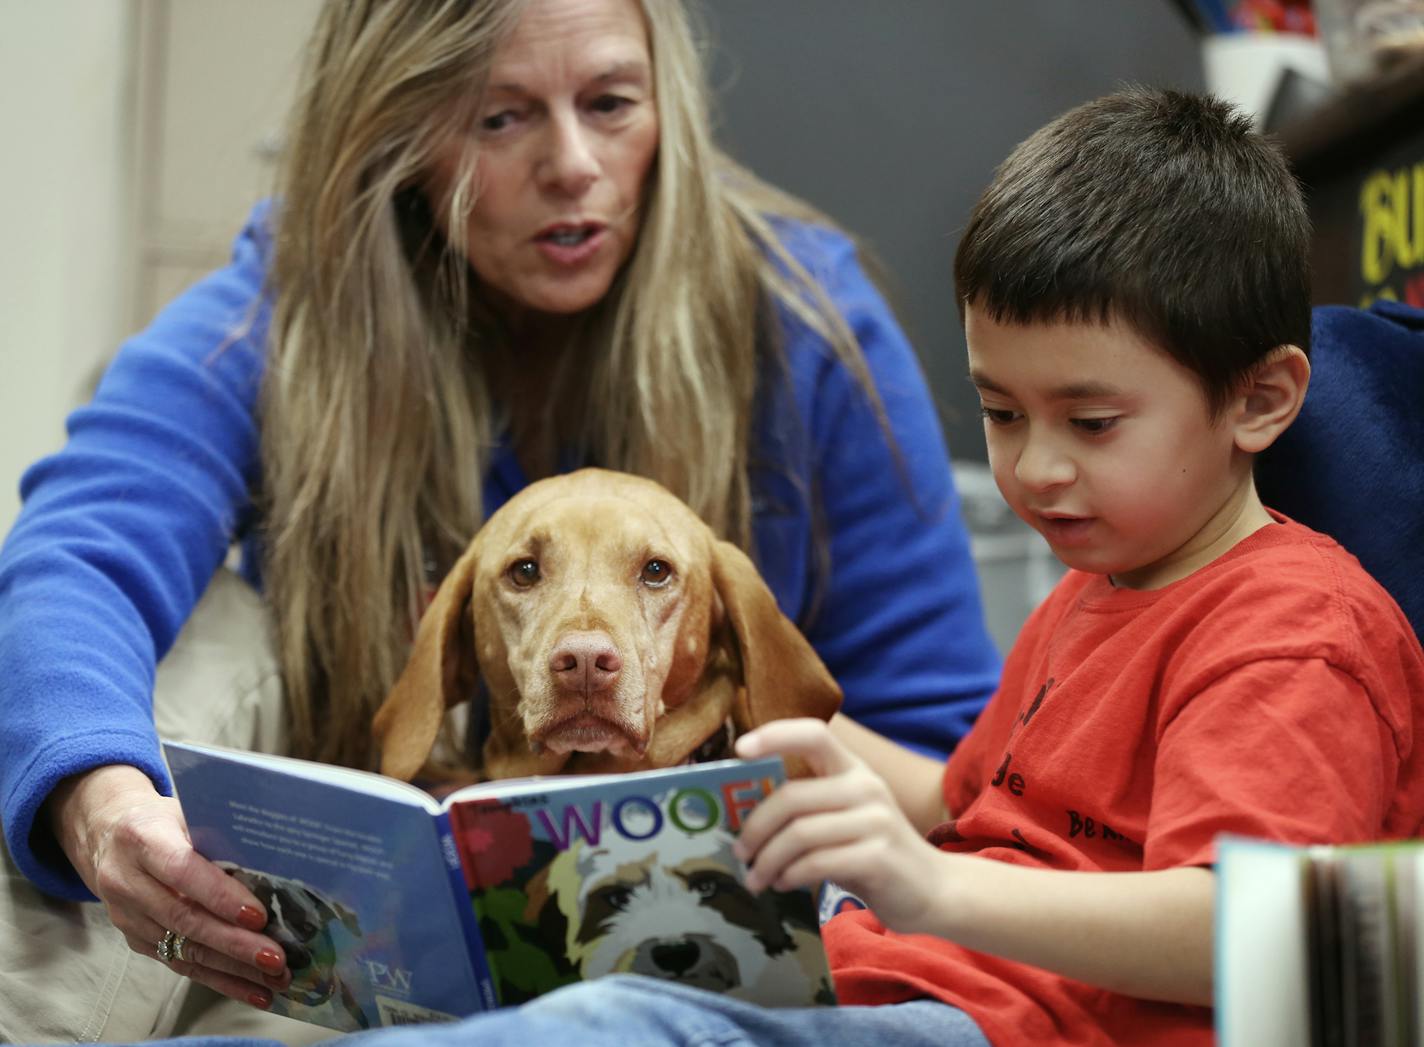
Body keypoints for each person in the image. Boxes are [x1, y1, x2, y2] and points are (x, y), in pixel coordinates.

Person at [280, 85, 1424, 1047]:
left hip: (1005, 1024)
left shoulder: (1294, 634)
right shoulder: (1100, 589)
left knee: (622, 1027)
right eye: (999, 411)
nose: (1034, 469)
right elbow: (964, 803)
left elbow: (1265, 940)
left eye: (1090, 421)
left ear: (1260, 398)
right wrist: (774, 735)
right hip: (897, 978)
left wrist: (922, 886)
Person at [0, 0, 1001, 1042]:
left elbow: (958, 766)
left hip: (700, 889)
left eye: (611, 103)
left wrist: (724, 736)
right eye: (499, 118)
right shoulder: (289, 303)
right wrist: (94, 800)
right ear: (397, 133)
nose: (571, 164)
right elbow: (78, 553)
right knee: (171, 652)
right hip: (340, 870)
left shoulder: (803, 319)